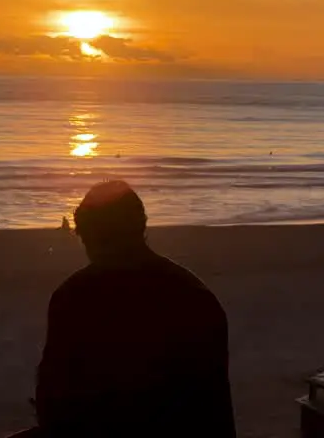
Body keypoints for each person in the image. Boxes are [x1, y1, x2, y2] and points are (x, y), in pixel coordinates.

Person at [27, 180, 235, 437]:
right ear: (141, 226)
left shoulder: (73, 297)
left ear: (87, 235)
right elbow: (217, 409)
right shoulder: (196, 296)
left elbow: (52, 399)